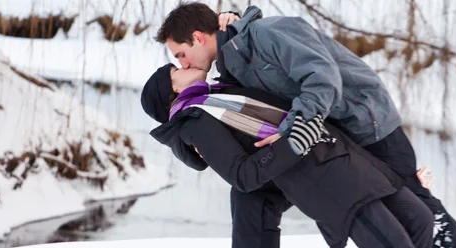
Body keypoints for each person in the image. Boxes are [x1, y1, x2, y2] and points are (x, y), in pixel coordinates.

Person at [155, 3, 456, 248]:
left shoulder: (269, 33)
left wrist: (293, 130)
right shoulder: (233, 63)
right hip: (325, 139)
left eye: (181, 54)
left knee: (417, 208)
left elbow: (323, 78)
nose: (183, 63)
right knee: (250, 198)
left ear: (197, 37)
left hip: (365, 124)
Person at [141, 63, 435, 248]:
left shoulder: (220, 93)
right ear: (173, 92)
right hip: (329, 182)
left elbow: (244, 61)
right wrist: (293, 142)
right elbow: (243, 175)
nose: (184, 64)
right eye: (175, 70)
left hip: (345, 155)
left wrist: (232, 22)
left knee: (420, 219)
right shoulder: (195, 121)